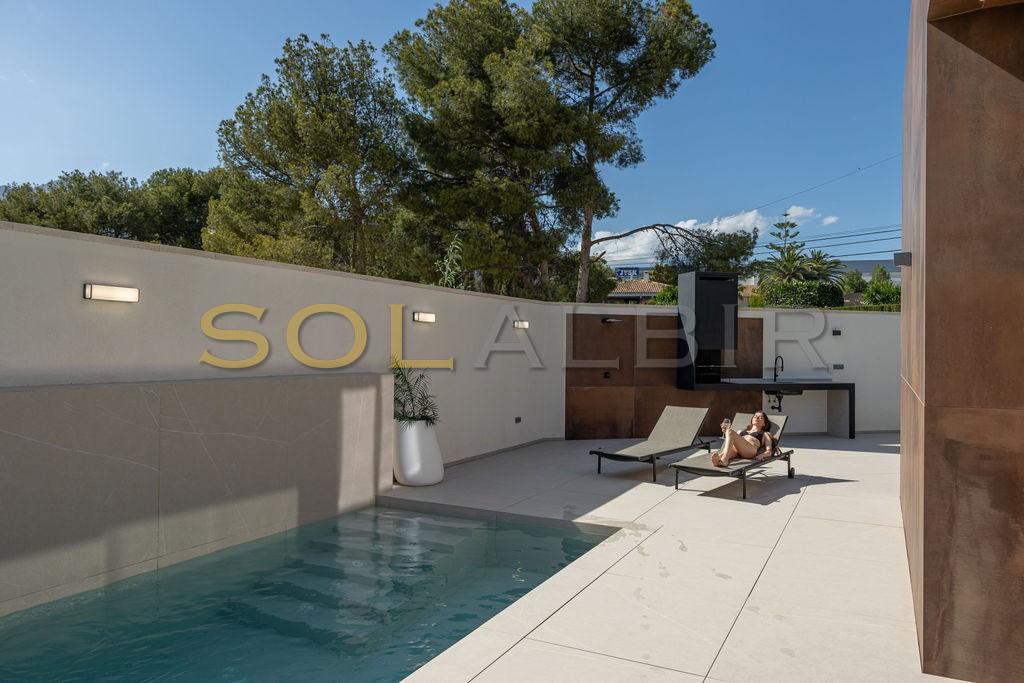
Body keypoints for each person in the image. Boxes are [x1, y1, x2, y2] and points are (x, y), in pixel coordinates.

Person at [711, 410, 776, 467]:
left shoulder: (765, 434)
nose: (757, 418)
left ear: (764, 423)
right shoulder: (741, 431)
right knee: (729, 434)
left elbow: (769, 451)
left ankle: (724, 459)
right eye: (755, 416)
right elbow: (731, 441)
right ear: (752, 419)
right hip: (737, 451)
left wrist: (762, 455)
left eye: (760, 417)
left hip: (750, 451)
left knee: (729, 431)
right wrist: (725, 433)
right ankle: (719, 459)